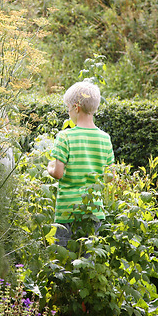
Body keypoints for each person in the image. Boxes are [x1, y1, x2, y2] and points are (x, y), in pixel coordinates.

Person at [47, 81, 114, 247]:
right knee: (87, 261)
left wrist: (50, 167)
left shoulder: (65, 136)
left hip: (67, 212)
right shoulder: (105, 138)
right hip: (93, 211)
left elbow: (58, 173)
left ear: (76, 108)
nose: (68, 112)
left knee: (63, 261)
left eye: (68, 108)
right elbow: (110, 176)